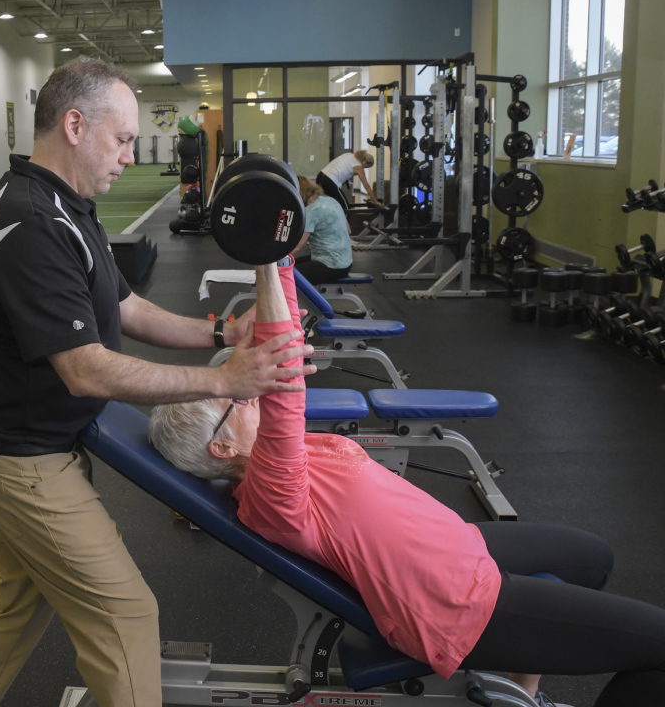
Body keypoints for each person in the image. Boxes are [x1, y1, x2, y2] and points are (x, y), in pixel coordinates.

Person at [0, 56, 312, 707]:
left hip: (23, 445)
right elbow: (84, 369)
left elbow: (126, 308)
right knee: (125, 615)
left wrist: (223, 336)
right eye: (123, 139)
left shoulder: (67, 206)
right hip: (21, 460)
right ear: (75, 125)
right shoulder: (31, 223)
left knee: (18, 610)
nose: (131, 153)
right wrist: (224, 383)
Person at [149, 260, 665, 707]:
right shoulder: (270, 492)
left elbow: (282, 344)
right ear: (222, 449)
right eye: (233, 401)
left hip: (461, 545)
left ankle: (521, 692)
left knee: (591, 558)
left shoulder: (279, 454)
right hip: (456, 604)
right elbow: (282, 373)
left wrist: (280, 256)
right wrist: (264, 262)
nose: (247, 392)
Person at [293, 176, 353, 283]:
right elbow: (348, 230)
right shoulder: (331, 200)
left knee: (285, 275)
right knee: (291, 264)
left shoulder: (311, 210)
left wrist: (273, 261)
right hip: (345, 263)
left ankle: (286, 300)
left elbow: (297, 246)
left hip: (332, 266)